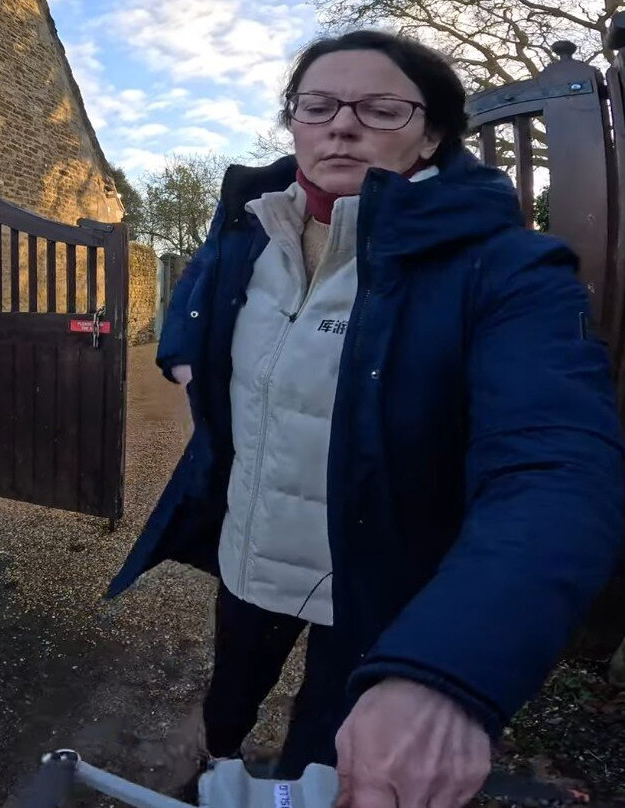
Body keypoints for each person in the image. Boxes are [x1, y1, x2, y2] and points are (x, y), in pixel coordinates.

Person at [107, 30, 625, 808]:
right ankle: (217, 763)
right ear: (293, 122)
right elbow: (197, 291)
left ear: (434, 133)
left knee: (326, 750)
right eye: (315, 106)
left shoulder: (507, 267)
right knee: (229, 696)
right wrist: (180, 354)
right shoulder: (253, 220)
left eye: (379, 108)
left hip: (377, 574)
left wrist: (450, 670)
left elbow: (553, 466)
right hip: (249, 544)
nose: (339, 125)